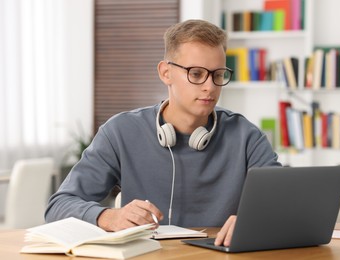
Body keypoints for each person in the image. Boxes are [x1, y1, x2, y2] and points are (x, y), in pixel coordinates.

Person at [45, 19, 281, 247]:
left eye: (218, 75)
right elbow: (58, 206)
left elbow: (284, 203)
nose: (210, 86)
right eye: (196, 74)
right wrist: (108, 217)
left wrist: (257, 222)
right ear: (165, 73)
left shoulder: (246, 136)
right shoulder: (120, 132)